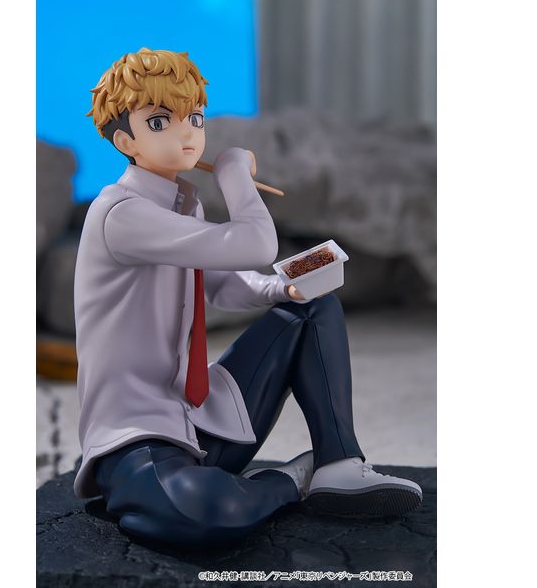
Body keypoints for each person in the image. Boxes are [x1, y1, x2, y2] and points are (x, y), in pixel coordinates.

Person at [73, 48, 422, 548]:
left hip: (202, 422)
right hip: (139, 439)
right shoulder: (121, 214)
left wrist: (284, 288)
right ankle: (290, 479)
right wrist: (235, 174)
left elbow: (219, 281)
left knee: (312, 307)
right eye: (160, 122)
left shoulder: (183, 207)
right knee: (203, 512)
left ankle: (338, 464)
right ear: (125, 141)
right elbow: (256, 244)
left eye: (195, 118)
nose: (187, 134)